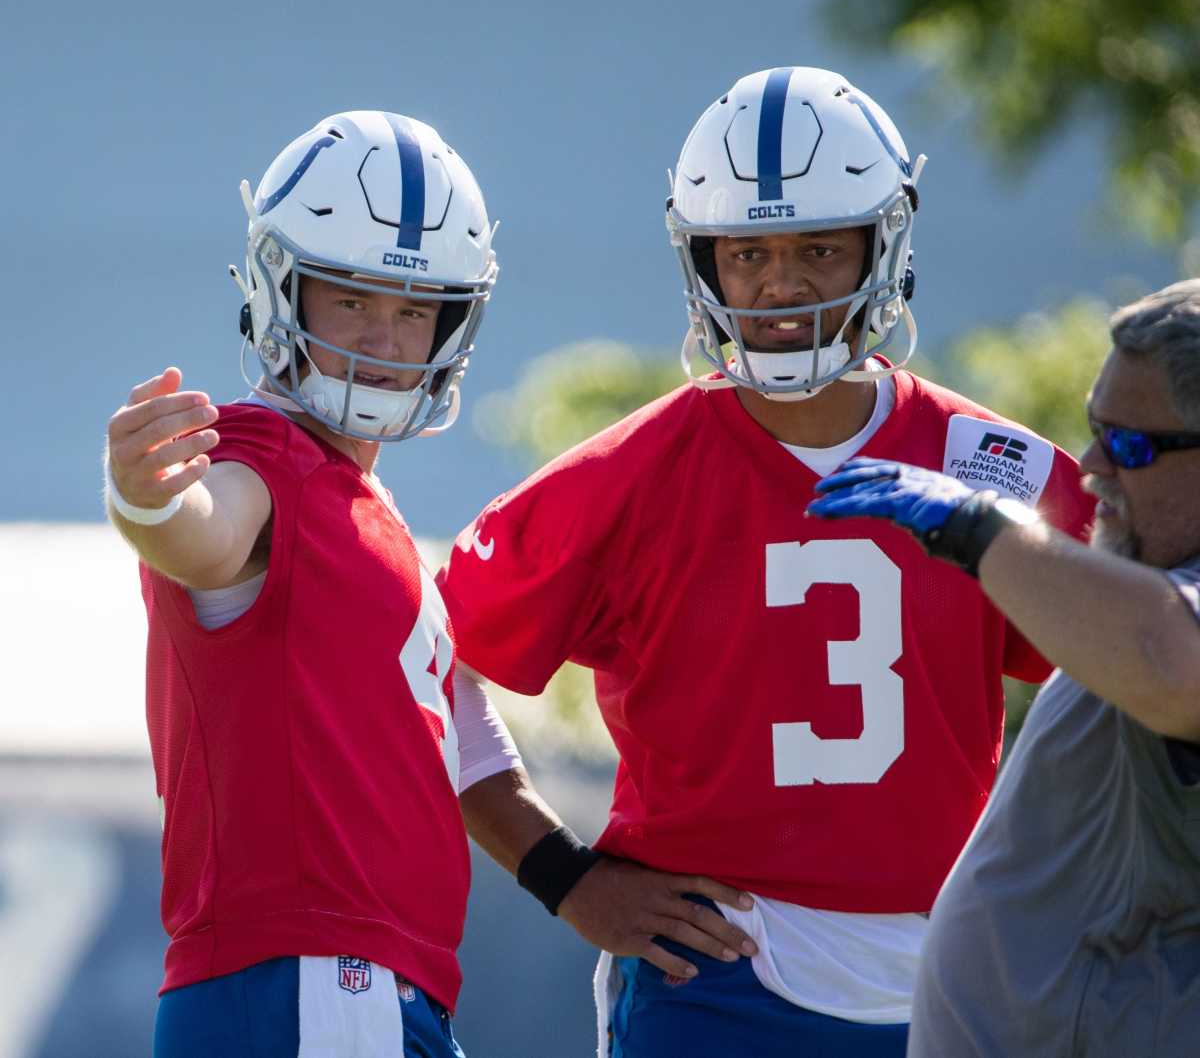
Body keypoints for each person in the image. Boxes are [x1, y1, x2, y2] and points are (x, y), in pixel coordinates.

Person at [437, 67, 1097, 1056]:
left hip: (952, 968)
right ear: (704, 259)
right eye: (748, 251)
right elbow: (418, 655)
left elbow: (1143, 672)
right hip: (714, 970)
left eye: (819, 247)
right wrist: (559, 872)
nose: (781, 281)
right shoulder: (627, 474)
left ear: (885, 245)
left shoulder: (996, 466)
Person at [104, 110, 511, 1057]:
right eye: (352, 300)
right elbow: (207, 533)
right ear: (281, 291)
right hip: (317, 982)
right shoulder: (263, 453)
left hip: (357, 988)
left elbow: (454, 737)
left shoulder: (365, 503)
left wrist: (572, 877)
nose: (385, 337)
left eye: (416, 310)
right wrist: (147, 501)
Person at [808, 279, 1200, 1057]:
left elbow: (1175, 667)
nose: (1091, 468)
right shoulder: (1147, 579)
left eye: (1130, 446)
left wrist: (977, 529)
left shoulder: (1162, 618)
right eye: (1096, 432)